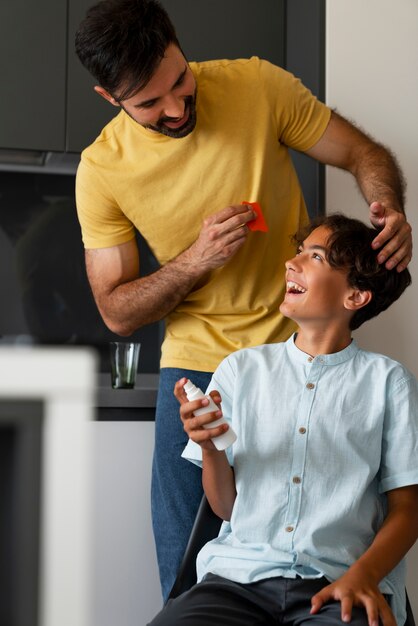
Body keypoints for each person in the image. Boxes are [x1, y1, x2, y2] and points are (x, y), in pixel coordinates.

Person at [74, 0, 413, 599]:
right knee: (189, 579)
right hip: (199, 371)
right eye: (151, 104)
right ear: (110, 98)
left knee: (326, 553)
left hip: (300, 353)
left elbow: (366, 156)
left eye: (181, 81)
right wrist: (197, 259)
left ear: (181, 45)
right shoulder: (102, 170)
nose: (178, 108)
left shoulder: (257, 84)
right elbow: (116, 310)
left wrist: (388, 208)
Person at [148, 214, 418, 626]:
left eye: (315, 256)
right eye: (298, 252)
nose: (292, 264)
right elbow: (226, 508)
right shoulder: (241, 370)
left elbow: (407, 509)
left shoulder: (389, 382)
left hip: (337, 584)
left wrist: (363, 576)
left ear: (356, 297)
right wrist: (209, 446)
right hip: (236, 583)